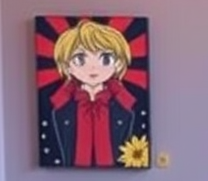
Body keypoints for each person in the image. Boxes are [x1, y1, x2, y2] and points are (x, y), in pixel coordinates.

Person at [47, 19, 140, 168]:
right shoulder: (62, 108)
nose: (93, 67)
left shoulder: (124, 106)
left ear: (117, 64)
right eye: (80, 59)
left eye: (105, 58)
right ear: (67, 66)